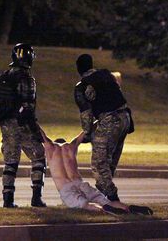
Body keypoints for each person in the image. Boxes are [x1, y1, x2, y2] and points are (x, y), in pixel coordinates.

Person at [39, 126, 153, 215]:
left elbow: (41, 134)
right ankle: (127, 208)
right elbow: (83, 133)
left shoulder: (50, 148)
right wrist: (96, 120)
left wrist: (30, 119)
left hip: (66, 188)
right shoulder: (71, 147)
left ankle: (103, 209)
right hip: (81, 183)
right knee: (107, 201)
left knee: (85, 205)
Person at [74, 54, 134, 204]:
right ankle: (103, 197)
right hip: (125, 118)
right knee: (109, 162)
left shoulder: (82, 86)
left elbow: (86, 114)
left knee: (99, 164)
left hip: (109, 120)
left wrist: (87, 133)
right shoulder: (107, 75)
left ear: (79, 69)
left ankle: (114, 200)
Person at [0, 43, 46, 208]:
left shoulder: (5, 75)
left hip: (6, 123)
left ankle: (7, 199)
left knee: (10, 161)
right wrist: (36, 130)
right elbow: (27, 106)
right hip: (22, 123)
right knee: (39, 157)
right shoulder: (27, 78)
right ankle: (36, 197)